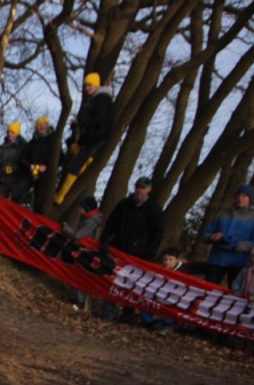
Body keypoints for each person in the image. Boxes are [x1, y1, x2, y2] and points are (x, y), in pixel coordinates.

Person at [55, 73, 114, 204]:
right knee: (77, 155)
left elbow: (98, 120)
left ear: (96, 85)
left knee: (76, 166)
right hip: (93, 138)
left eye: (89, 85)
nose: (87, 88)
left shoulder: (102, 99)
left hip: (95, 139)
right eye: (85, 86)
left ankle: (61, 196)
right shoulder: (97, 99)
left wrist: (82, 122)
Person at [202, 184, 254, 288]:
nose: (240, 198)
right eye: (238, 195)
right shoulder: (223, 213)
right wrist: (212, 237)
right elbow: (206, 234)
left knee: (234, 292)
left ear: (250, 199)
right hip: (217, 259)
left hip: (240, 261)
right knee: (207, 288)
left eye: (244, 196)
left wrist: (238, 246)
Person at [101, 177, 165, 263]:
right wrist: (104, 242)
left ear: (149, 189)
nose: (139, 190)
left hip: (136, 255)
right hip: (116, 249)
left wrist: (149, 256)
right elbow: (110, 224)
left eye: (142, 188)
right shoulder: (123, 205)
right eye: (137, 187)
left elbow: (157, 234)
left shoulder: (154, 210)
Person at [26, 116, 58, 212]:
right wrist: (29, 165)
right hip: (32, 173)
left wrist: (47, 166)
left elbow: (61, 159)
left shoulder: (53, 141)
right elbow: (23, 157)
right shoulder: (33, 142)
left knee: (39, 202)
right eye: (39, 124)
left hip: (45, 176)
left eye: (44, 124)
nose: (42, 126)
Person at [0, 122, 29, 203]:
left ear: (17, 133)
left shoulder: (24, 147)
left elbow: (24, 164)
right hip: (3, 180)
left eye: (12, 132)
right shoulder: (2, 147)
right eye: (8, 132)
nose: (10, 134)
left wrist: (13, 168)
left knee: (14, 204)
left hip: (16, 181)